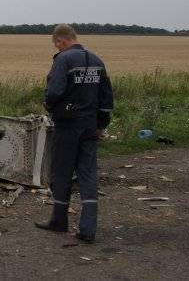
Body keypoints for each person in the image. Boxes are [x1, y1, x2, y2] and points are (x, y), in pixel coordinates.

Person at [36, 24, 114, 243]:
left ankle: (59, 221)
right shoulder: (97, 60)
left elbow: (54, 92)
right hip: (90, 126)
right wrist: (101, 124)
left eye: (57, 44)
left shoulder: (63, 60)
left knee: (61, 172)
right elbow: (107, 99)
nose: (58, 48)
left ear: (61, 41)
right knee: (88, 174)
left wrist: (49, 105)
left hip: (68, 126)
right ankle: (88, 228)